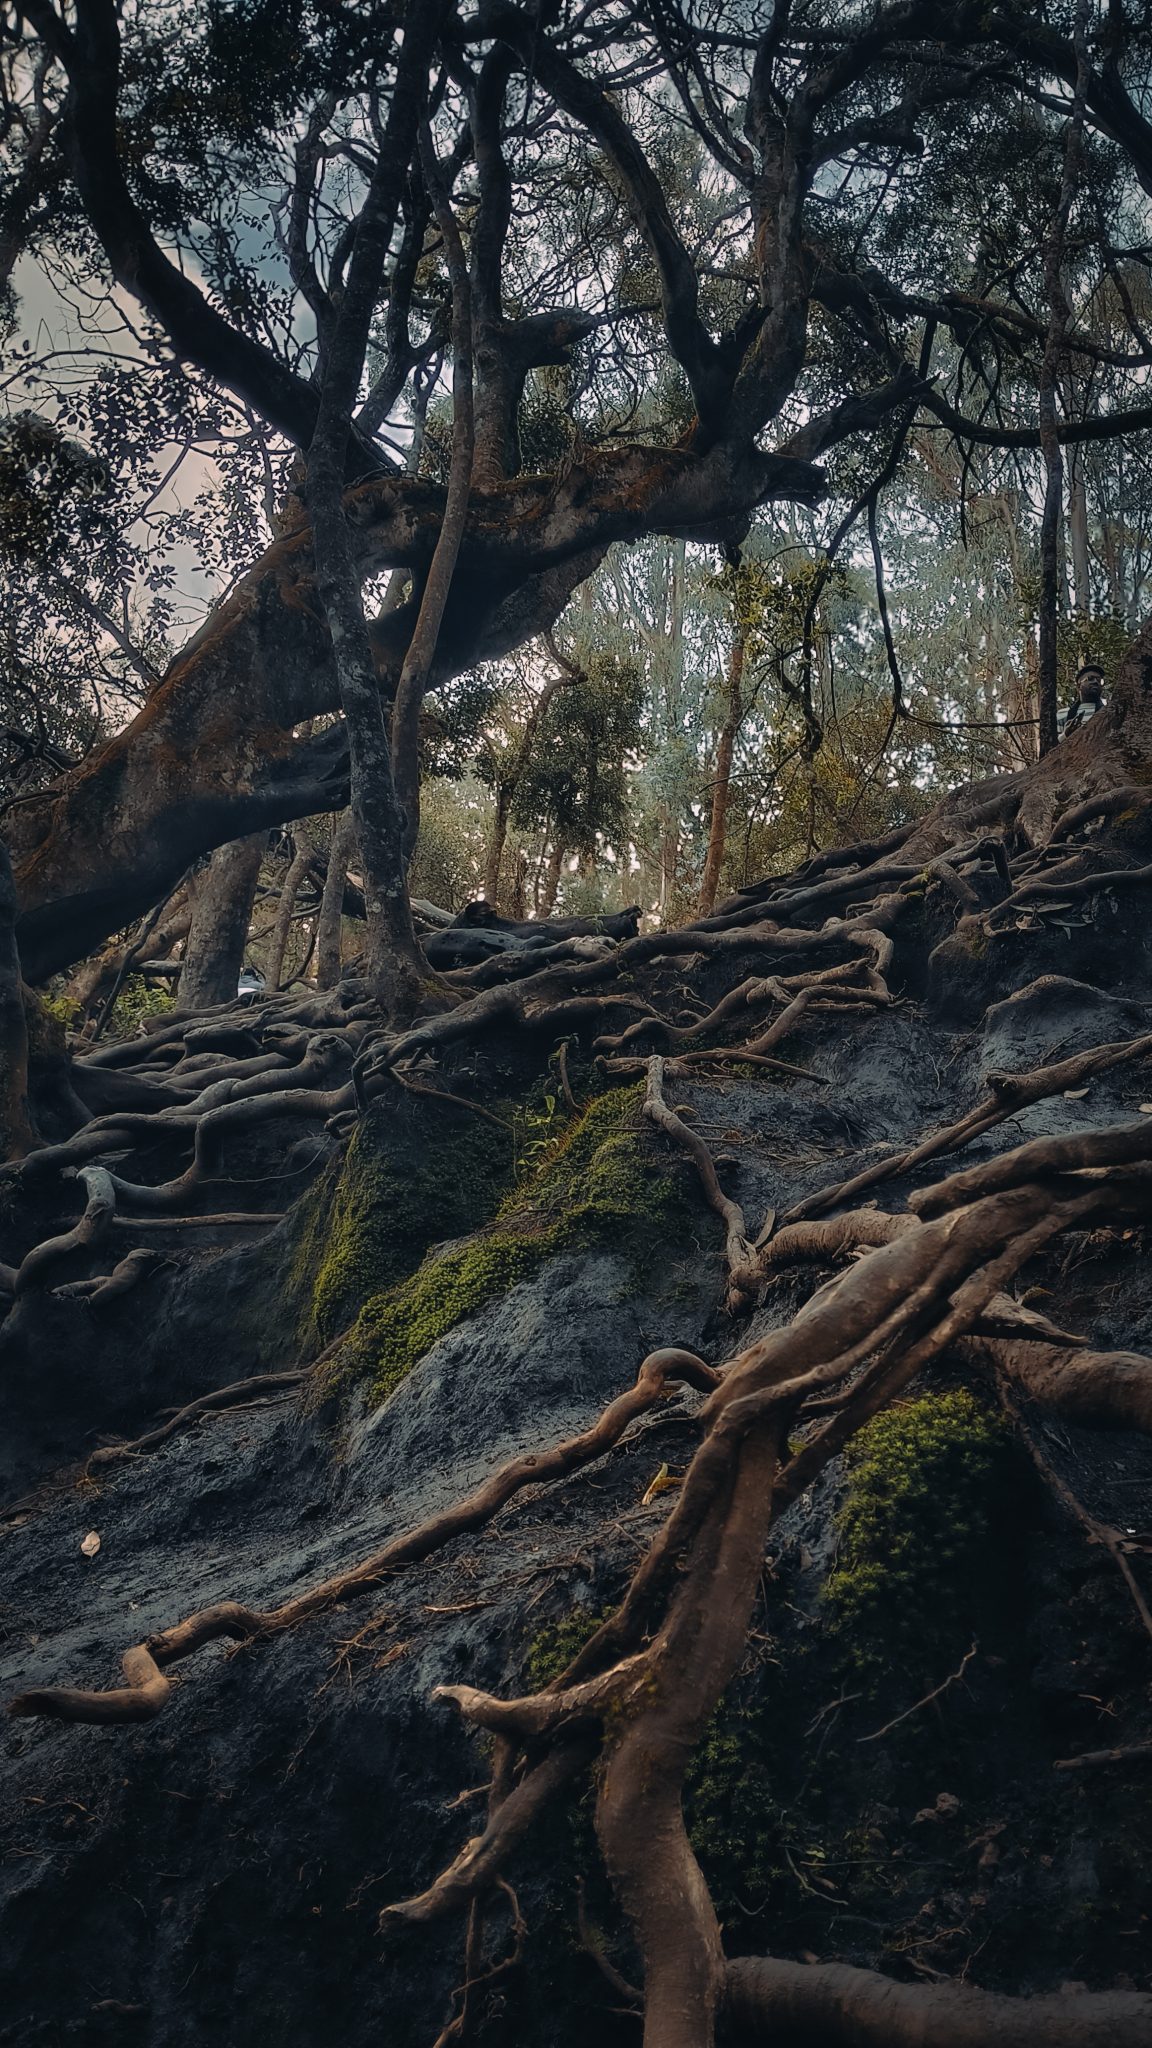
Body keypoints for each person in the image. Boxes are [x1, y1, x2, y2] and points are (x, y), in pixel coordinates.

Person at [1059, 662, 1105, 738]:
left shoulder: (1109, 712)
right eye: (1090, 679)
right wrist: (1065, 735)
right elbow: (1052, 747)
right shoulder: (1062, 714)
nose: (1096, 682)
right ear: (1078, 685)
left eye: (1099, 680)